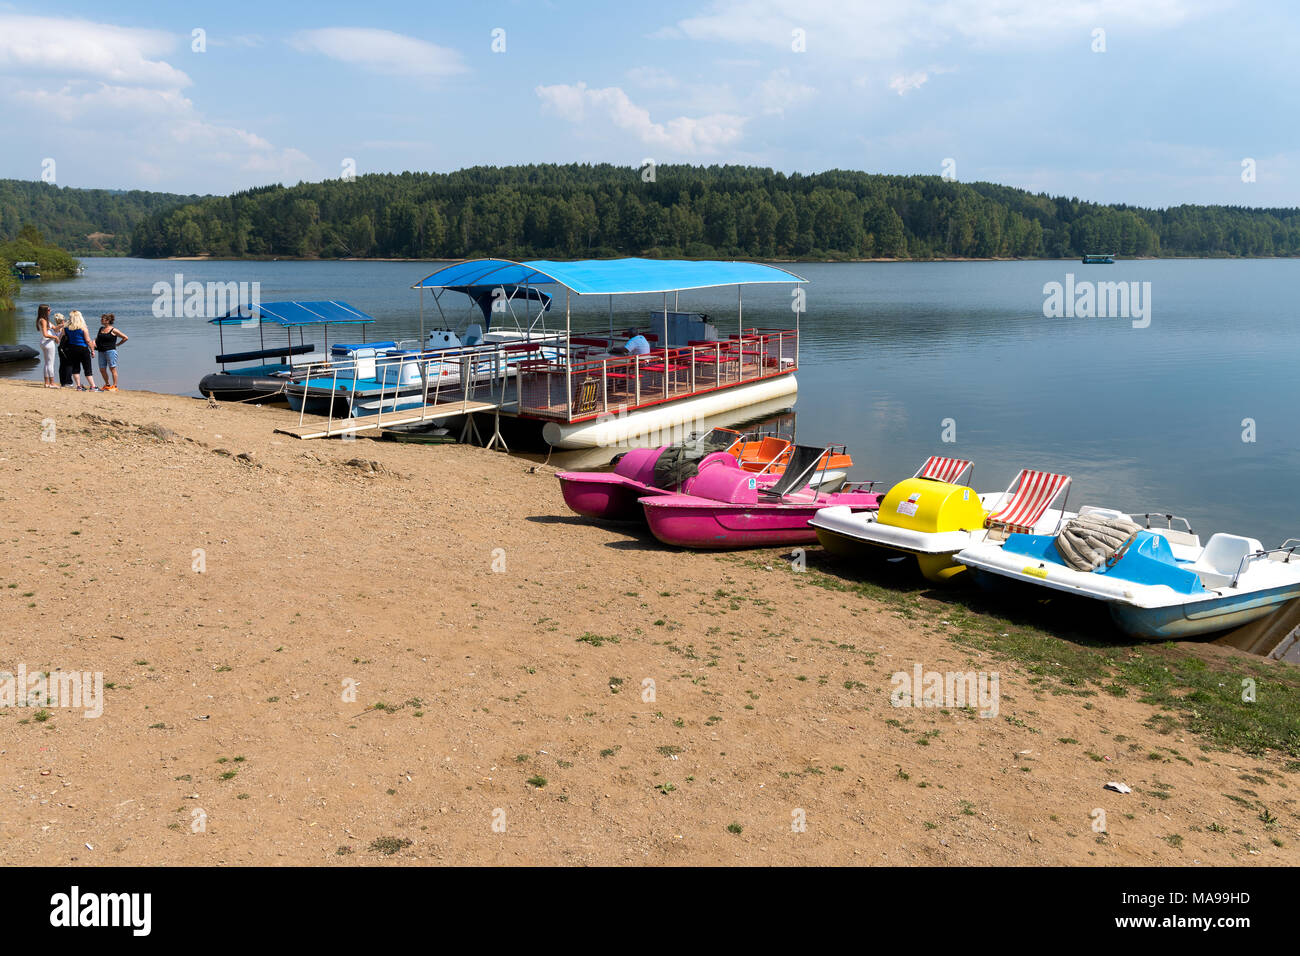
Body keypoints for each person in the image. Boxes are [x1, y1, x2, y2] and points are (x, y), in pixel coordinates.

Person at [94, 313, 127, 391]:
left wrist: (118, 344)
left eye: (103, 319)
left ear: (108, 321)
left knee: (112, 368)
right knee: (102, 369)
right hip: (101, 351)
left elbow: (125, 337)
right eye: (101, 319)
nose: (101, 320)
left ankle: (115, 386)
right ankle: (107, 384)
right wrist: (93, 342)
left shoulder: (114, 330)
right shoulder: (101, 329)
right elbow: (97, 338)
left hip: (110, 351)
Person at [63, 311, 94, 390]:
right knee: (87, 368)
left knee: (75, 368)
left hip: (72, 349)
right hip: (83, 349)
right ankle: (93, 386)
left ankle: (78, 386)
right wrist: (92, 350)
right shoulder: (83, 328)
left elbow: (63, 337)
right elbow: (87, 340)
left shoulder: (66, 328)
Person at [35, 304, 58, 388]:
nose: (50, 311)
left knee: (47, 363)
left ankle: (47, 383)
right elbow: (45, 334)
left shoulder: (42, 320)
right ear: (45, 311)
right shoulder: (44, 321)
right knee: (50, 363)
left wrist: (62, 325)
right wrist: (55, 337)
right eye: (48, 310)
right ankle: (52, 383)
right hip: (48, 342)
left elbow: (55, 329)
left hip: (43, 343)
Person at [52, 313, 73, 387]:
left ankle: (63, 382)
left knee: (63, 365)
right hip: (66, 347)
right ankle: (68, 382)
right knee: (69, 364)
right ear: (63, 320)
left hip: (61, 347)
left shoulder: (57, 327)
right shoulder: (62, 327)